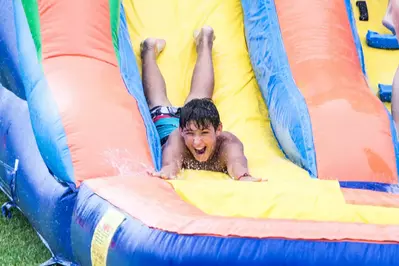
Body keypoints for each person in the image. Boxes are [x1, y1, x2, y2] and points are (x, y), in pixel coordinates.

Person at [140, 25, 262, 182]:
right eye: (191, 134)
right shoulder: (178, 138)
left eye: (204, 133)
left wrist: (244, 176)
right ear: (182, 130)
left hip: (193, 122)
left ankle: (206, 39)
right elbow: (171, 163)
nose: (197, 142)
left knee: (200, 101)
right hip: (173, 128)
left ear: (218, 129)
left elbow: (237, 164)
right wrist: (168, 171)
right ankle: (148, 49)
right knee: (157, 101)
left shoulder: (228, 144)